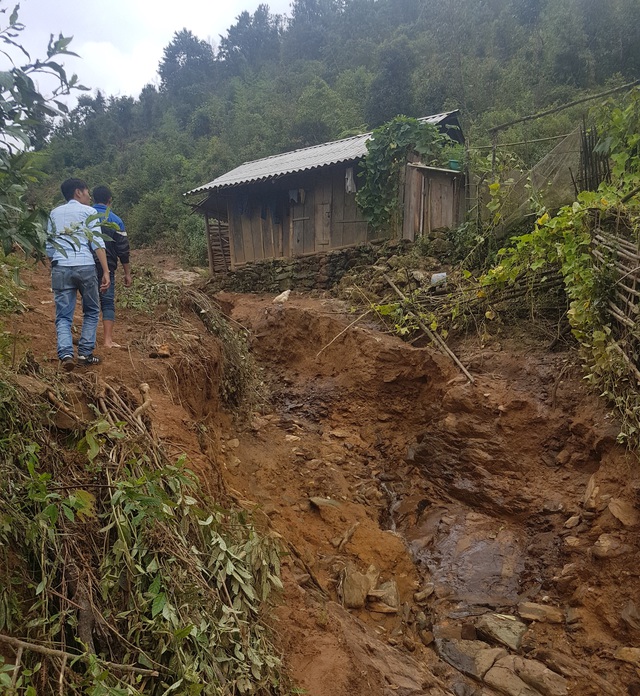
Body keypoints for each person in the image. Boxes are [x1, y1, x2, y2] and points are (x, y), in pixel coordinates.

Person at [47, 178, 110, 371]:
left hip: (61, 266)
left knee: (63, 315)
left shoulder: (54, 213)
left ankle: (66, 354)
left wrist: (56, 265)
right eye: (87, 192)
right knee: (91, 310)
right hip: (85, 266)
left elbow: (49, 246)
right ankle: (84, 354)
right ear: (78, 192)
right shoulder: (89, 212)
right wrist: (106, 271)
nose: (89, 196)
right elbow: (97, 242)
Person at [92, 186, 132, 348]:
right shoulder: (115, 220)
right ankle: (107, 340)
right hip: (108, 266)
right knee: (107, 301)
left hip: (86, 265)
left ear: (93, 198)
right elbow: (123, 250)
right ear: (110, 200)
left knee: (91, 301)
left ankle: (89, 339)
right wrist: (127, 273)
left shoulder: (86, 216)